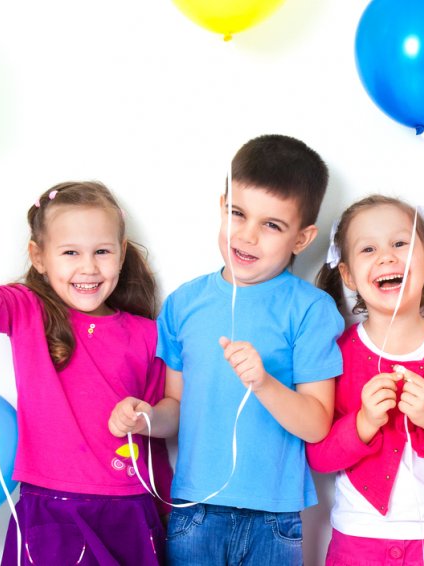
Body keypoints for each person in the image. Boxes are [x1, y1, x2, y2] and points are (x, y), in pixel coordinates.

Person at [0, 141, 172, 565]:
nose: (88, 267)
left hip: (129, 507)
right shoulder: (28, 312)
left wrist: (147, 418)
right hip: (50, 509)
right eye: (70, 253)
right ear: (39, 257)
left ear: (121, 254)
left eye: (102, 251)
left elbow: (169, 421)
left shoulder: (148, 334)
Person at [157, 134, 343, 565]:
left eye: (272, 225)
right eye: (237, 214)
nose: (247, 236)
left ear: (302, 238)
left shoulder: (311, 310)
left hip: (273, 519)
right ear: (221, 204)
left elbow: (317, 425)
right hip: (194, 510)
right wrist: (146, 418)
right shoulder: (184, 304)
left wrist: (264, 383)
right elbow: (174, 408)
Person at [310, 195, 424, 565]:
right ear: (347, 274)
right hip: (359, 539)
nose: (386, 257)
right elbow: (319, 455)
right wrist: (362, 424)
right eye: (368, 248)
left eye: (399, 243)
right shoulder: (338, 355)